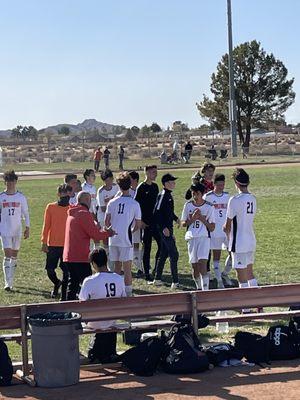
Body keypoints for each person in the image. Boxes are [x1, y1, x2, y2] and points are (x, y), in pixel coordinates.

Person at [63, 191, 114, 300]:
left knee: (73, 284)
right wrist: (108, 233)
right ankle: (90, 307)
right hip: (80, 256)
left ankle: (67, 307)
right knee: (89, 284)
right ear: (87, 200)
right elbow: (95, 235)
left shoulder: (72, 212)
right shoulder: (84, 213)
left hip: (68, 256)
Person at [79, 249, 126, 363]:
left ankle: (96, 352)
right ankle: (108, 352)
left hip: (95, 321)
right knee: (108, 320)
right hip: (113, 319)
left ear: (94, 264)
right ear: (106, 261)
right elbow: (123, 299)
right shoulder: (119, 278)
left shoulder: (89, 281)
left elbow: (81, 302)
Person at [223, 168, 258, 311]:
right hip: (250, 240)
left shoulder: (234, 200)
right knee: (250, 272)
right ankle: (258, 303)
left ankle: (246, 309)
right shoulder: (253, 198)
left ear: (236, 183)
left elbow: (227, 225)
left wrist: (227, 240)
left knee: (241, 275)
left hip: (239, 242)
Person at [105, 172, 141, 297]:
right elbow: (138, 224)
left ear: (118, 186)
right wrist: (131, 230)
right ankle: (128, 293)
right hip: (126, 239)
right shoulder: (134, 203)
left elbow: (106, 222)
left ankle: (116, 292)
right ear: (130, 185)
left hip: (113, 239)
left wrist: (111, 230)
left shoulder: (112, 202)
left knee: (116, 268)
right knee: (127, 269)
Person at [181, 183, 215, 290]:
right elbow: (183, 223)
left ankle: (205, 291)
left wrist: (202, 218)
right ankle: (199, 288)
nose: (195, 196)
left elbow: (212, 227)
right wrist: (193, 219)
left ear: (202, 193)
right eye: (193, 193)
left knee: (203, 265)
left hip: (204, 238)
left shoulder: (209, 207)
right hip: (191, 238)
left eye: (197, 194)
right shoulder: (188, 205)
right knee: (194, 266)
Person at [41, 184, 72, 300]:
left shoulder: (72, 208)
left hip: (67, 245)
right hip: (53, 244)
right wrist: (44, 242)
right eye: (64, 193)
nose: (66, 196)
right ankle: (56, 283)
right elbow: (46, 226)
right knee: (50, 270)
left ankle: (63, 296)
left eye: (68, 194)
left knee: (66, 272)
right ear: (58, 194)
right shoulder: (50, 207)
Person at [0, 170, 30, 291]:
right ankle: (8, 283)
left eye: (12, 181)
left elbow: (26, 213)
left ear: (16, 182)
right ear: (4, 182)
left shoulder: (21, 197)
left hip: (17, 230)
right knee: (7, 255)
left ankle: (11, 279)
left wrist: (27, 227)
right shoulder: (1, 197)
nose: (10, 184)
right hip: (5, 230)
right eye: (8, 181)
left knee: (14, 256)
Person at [203, 174, 231, 288]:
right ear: (214, 184)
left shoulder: (228, 196)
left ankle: (224, 274)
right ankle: (219, 281)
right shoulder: (208, 197)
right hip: (215, 232)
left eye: (223, 184)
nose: (221, 187)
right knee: (216, 258)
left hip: (227, 231)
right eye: (219, 185)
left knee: (233, 255)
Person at [152, 173, 180, 289]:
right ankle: (175, 281)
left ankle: (157, 279)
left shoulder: (168, 195)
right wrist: (164, 228)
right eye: (172, 182)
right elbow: (157, 213)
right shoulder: (164, 195)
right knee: (174, 254)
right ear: (166, 183)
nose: (174, 183)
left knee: (164, 254)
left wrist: (176, 218)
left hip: (168, 229)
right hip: (165, 230)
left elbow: (167, 212)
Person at [135, 165, 161, 282]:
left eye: (156, 172)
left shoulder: (155, 187)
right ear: (146, 173)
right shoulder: (141, 187)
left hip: (155, 222)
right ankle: (146, 272)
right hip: (146, 224)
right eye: (152, 172)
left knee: (162, 245)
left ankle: (156, 268)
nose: (155, 174)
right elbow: (136, 205)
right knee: (147, 248)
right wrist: (140, 221)